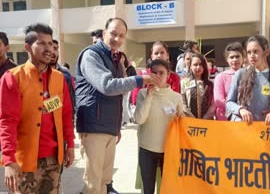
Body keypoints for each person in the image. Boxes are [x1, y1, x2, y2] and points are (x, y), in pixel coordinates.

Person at [75, 17, 161, 194]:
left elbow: (118, 95)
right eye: (113, 34)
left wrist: (116, 128)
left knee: (105, 181)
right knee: (93, 182)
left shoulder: (114, 58)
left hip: (108, 127)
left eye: (122, 36)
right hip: (93, 127)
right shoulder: (91, 55)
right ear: (104, 33)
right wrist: (139, 79)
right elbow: (107, 86)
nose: (117, 39)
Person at [0, 23, 75, 193]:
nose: (48, 48)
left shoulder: (59, 78)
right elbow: (7, 121)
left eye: (50, 43)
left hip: (54, 158)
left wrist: (70, 145)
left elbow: (65, 114)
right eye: (41, 43)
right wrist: (9, 160)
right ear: (27, 47)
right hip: (25, 160)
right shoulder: (13, 78)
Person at [134, 59, 183, 194]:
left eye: (161, 73)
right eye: (154, 73)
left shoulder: (176, 97)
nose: (157, 76)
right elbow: (139, 119)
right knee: (148, 189)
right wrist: (149, 96)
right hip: (147, 149)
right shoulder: (142, 93)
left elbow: (182, 122)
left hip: (168, 150)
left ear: (168, 75)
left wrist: (182, 117)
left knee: (167, 189)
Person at [226, 35, 270, 124]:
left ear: (266, 52)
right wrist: (240, 110)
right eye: (249, 52)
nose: (251, 56)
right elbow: (229, 102)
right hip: (242, 127)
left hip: (265, 128)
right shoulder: (241, 73)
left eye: (255, 51)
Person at [131, 41, 180, 105]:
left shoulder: (173, 77)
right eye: (156, 53)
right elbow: (135, 100)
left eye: (162, 53)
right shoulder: (143, 75)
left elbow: (175, 100)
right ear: (151, 56)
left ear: (167, 56)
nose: (159, 56)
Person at [214, 42, 244, 120]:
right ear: (227, 59)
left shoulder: (250, 76)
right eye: (231, 57)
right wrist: (238, 110)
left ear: (243, 58)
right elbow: (219, 100)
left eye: (237, 56)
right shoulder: (221, 77)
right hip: (225, 118)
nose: (235, 59)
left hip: (246, 118)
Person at [181, 53, 215, 119]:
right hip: (189, 120)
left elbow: (213, 104)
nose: (198, 67)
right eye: (195, 65)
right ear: (190, 66)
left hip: (207, 121)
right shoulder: (184, 82)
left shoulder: (210, 84)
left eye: (200, 64)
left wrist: (206, 117)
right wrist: (191, 117)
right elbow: (182, 103)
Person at [50, 39, 75, 114]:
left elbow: (70, 100)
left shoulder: (65, 73)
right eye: (50, 49)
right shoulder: (38, 74)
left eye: (55, 49)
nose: (53, 52)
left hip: (62, 118)